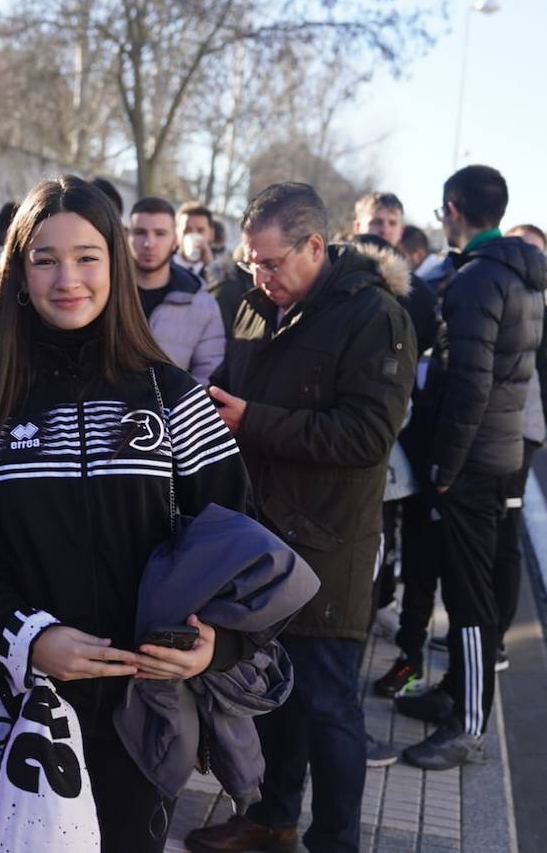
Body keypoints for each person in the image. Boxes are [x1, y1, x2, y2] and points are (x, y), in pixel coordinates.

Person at [0, 176, 252, 852]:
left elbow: (240, 543)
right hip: (17, 709)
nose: (68, 279)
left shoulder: (170, 396)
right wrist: (27, 640)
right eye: (45, 258)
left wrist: (217, 646)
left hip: (140, 725)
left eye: (88, 256)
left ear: (116, 264)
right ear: (18, 274)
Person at [188, 183, 416, 853]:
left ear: (316, 246)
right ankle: (270, 821)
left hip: (328, 546)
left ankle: (335, 841)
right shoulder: (258, 305)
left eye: (272, 262)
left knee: (328, 707)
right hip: (262, 539)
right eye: (251, 263)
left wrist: (251, 421)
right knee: (276, 697)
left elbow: (365, 436)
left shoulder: (374, 316)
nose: (260, 276)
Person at [395, 165, 547, 771]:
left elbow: (470, 386)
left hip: (473, 461)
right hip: (494, 453)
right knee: (465, 590)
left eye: (441, 213)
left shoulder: (480, 279)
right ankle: (454, 695)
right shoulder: (520, 273)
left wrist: (445, 468)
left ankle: (470, 726)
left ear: (454, 210)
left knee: (468, 597)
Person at [491, 223, 547, 664]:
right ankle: (479, 630)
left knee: (505, 539)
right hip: (492, 436)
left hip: (517, 440)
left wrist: (528, 437)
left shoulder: (546, 318)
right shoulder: (502, 298)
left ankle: (495, 638)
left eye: (534, 252)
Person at [128, 196, 226, 384]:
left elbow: (207, 377)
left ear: (175, 240)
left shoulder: (203, 305)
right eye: (140, 232)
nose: (149, 243)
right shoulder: (102, 293)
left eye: (160, 233)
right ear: (127, 236)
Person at [175, 200, 216, 276]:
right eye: (187, 230)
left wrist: (210, 266)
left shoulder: (221, 270)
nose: (194, 234)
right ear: (176, 233)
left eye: (200, 230)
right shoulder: (163, 266)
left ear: (211, 234)